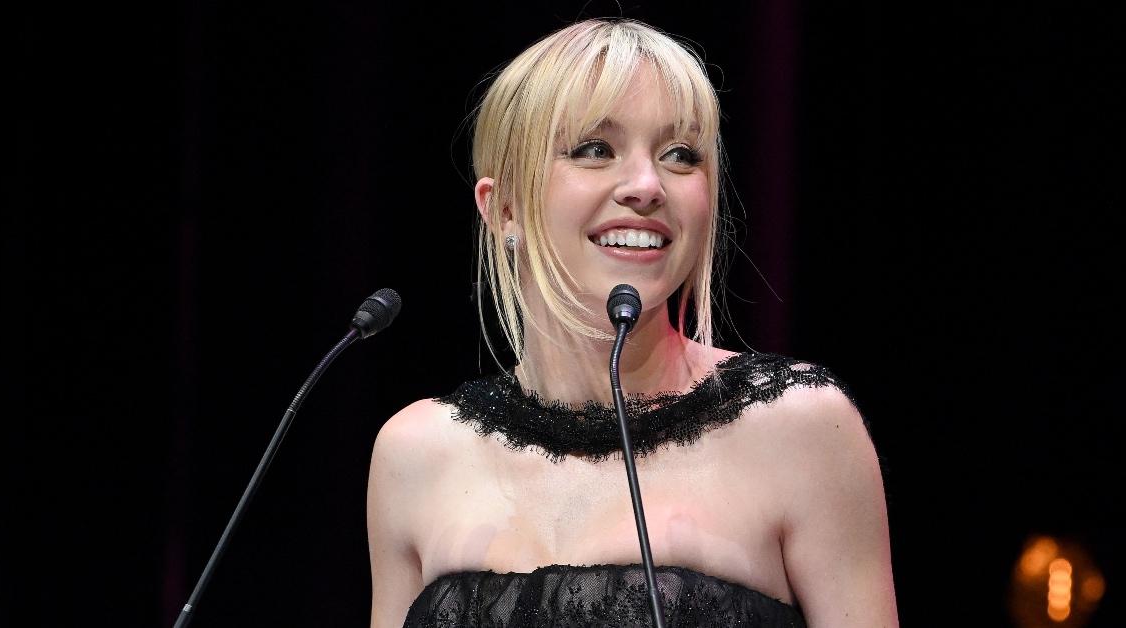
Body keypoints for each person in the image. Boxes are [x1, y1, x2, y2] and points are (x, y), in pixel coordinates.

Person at [367, 18, 897, 627]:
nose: (646, 186)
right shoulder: (418, 454)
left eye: (680, 155)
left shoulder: (801, 428)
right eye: (595, 149)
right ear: (503, 206)